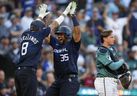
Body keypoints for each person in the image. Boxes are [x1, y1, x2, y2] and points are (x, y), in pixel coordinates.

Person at [15, 2, 73, 96]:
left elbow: (34, 24)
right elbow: (54, 24)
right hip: (29, 72)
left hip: (18, 72)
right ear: (40, 29)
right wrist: (65, 13)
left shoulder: (25, 33)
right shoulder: (39, 34)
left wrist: (40, 15)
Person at [45, 2, 81, 96]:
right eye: (58, 34)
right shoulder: (56, 44)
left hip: (70, 79)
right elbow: (46, 34)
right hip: (59, 80)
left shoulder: (72, 44)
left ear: (68, 35)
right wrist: (51, 21)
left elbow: (77, 32)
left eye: (61, 34)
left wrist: (72, 15)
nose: (59, 36)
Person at [94, 30, 129, 96]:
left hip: (112, 80)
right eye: (111, 37)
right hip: (104, 80)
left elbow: (116, 68)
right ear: (104, 38)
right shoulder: (102, 51)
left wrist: (122, 73)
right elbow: (113, 66)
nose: (114, 39)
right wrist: (122, 61)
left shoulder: (112, 49)